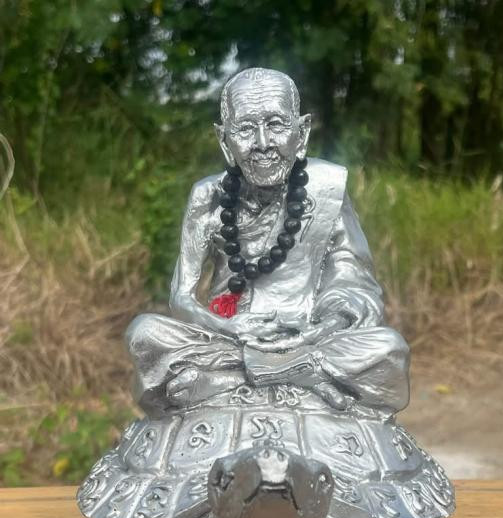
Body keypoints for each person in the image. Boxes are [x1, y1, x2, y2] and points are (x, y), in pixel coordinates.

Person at [126, 67, 410, 423]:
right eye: (245, 128)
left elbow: (354, 282)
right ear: (224, 140)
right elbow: (180, 299)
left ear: (301, 133)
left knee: (389, 349)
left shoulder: (325, 188)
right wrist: (232, 328)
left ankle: (228, 379)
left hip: (307, 336)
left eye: (276, 124)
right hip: (229, 334)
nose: (262, 143)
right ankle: (295, 372)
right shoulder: (208, 197)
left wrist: (320, 329)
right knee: (143, 334)